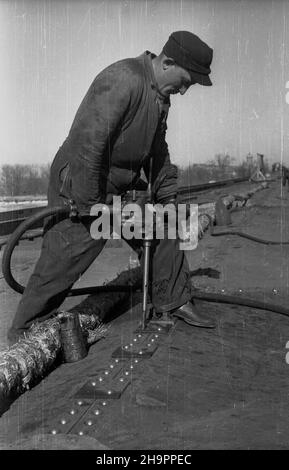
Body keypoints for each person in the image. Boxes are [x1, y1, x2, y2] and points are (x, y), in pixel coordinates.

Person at [8, 30, 216, 345]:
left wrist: (169, 200)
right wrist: (93, 206)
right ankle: (25, 331)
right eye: (186, 81)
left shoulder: (161, 98)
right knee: (71, 251)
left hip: (118, 185)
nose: (185, 91)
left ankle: (174, 300)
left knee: (164, 224)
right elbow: (88, 145)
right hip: (80, 180)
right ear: (167, 62)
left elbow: (158, 154)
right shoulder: (124, 79)